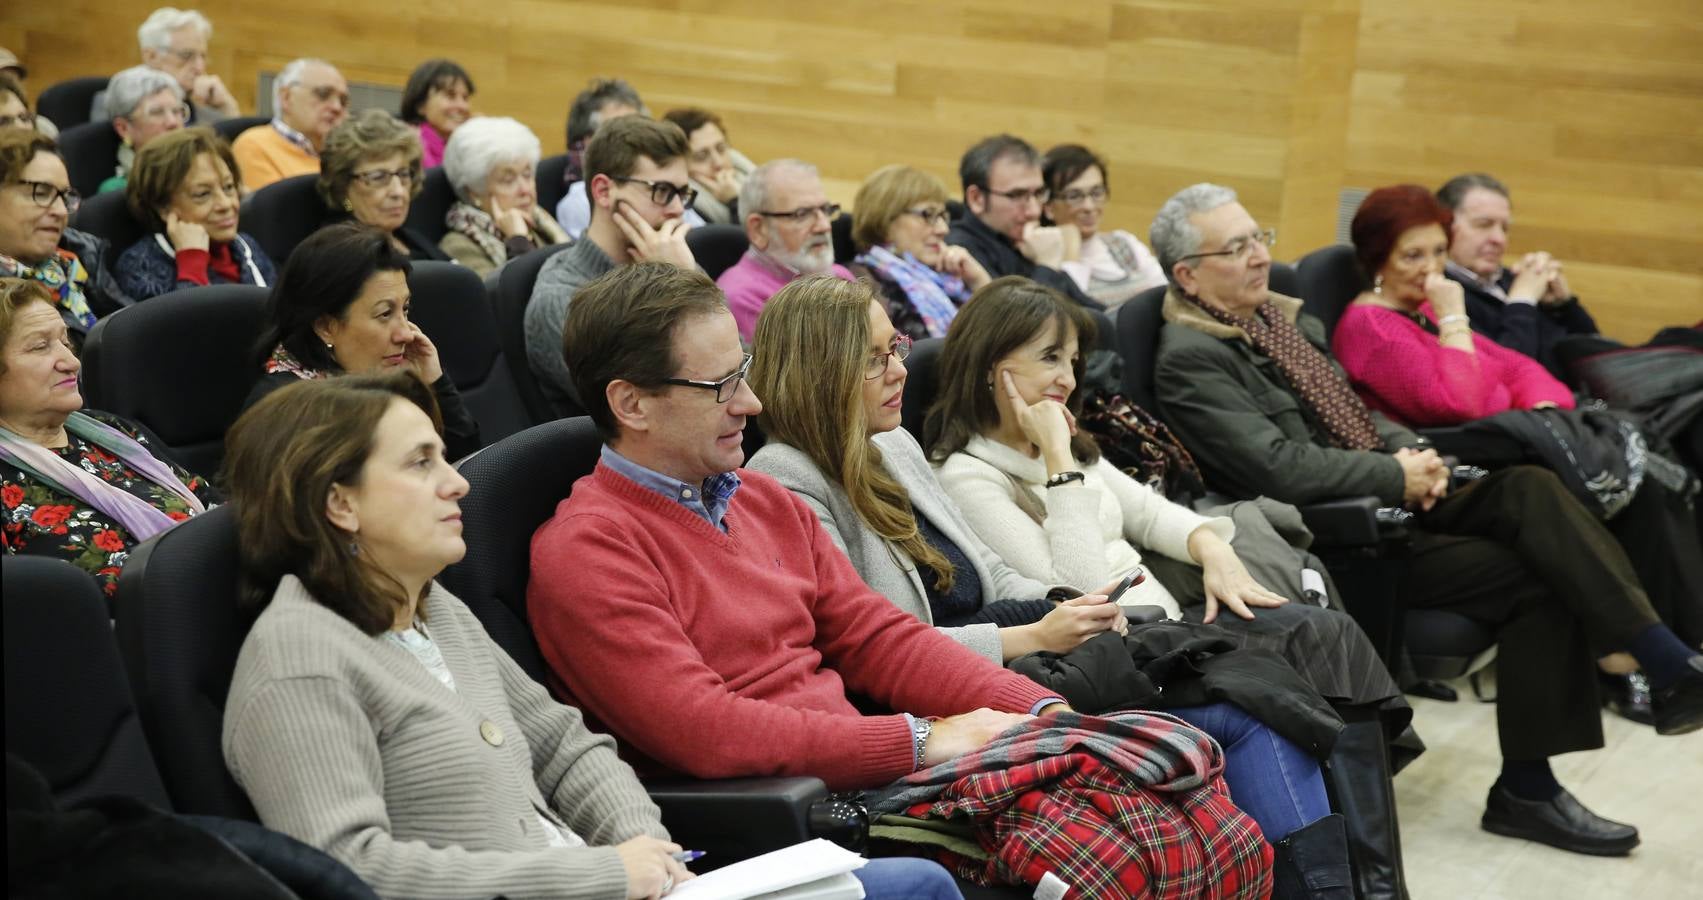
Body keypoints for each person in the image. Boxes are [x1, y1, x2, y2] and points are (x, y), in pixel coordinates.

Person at [527, 262, 1271, 896]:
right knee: (1122, 844)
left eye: (744, 375)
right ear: (630, 403)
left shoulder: (763, 500)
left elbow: (882, 639)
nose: (749, 404)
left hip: (870, 771)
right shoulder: (588, 551)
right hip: (792, 812)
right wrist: (919, 740)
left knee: (1178, 792)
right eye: (719, 386)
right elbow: (706, 732)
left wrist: (1042, 713)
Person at [743, 276, 1375, 877]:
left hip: (1022, 653)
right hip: (952, 692)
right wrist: (1038, 631)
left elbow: (985, 572)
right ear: (822, 370)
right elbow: (877, 649)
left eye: (897, 347)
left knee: (1265, 684)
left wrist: (1061, 605)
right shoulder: (785, 479)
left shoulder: (891, 445)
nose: (900, 368)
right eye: (875, 358)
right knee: (1250, 706)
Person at [1148, 182, 1703, 861]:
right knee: (1537, 553)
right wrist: (1393, 474)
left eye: (1256, 237)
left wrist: (1410, 451)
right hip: (1340, 537)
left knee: (1530, 494)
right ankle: (1655, 665)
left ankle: (1547, 767)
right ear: (1187, 274)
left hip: (1389, 497)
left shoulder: (1274, 321)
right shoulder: (1191, 358)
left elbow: (1350, 410)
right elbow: (1279, 469)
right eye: (1234, 248)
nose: (1259, 257)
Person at [219, 372, 696, 900]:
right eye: (421, 463)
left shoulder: (432, 606)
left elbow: (565, 749)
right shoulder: (298, 656)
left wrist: (649, 852)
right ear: (341, 504)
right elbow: (349, 870)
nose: (457, 483)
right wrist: (602, 876)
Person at [1333, 184, 1703, 679]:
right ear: (1379, 259)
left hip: (1497, 452)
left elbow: (1523, 370)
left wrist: (1535, 405)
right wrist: (1455, 319)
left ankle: (1669, 651)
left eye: (1439, 252)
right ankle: (1648, 657)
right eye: (1413, 255)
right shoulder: (1372, 328)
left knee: (1642, 475)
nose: (1431, 267)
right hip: (1444, 475)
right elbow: (1459, 402)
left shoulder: (1418, 310)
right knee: (1573, 489)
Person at [0, 278, 213, 596]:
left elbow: (214, 508)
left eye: (65, 342)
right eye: (41, 346)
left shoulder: (112, 431)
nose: (72, 363)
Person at [244, 222, 481, 461]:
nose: (407, 334)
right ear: (326, 327)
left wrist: (435, 384)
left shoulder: (381, 376)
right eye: (385, 314)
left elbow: (468, 470)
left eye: (405, 309)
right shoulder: (288, 414)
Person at [525, 116, 696, 415]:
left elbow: (738, 369)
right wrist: (679, 285)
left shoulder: (668, 258)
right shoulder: (561, 298)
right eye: (663, 191)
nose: (678, 210)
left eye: (682, 194)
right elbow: (647, 411)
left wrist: (680, 278)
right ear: (604, 191)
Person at [1436, 173, 1601, 381]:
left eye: (1504, 228)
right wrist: (1522, 302)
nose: (1499, 239)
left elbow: (1597, 358)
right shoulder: (1441, 295)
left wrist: (1563, 305)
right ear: (1444, 227)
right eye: (1484, 224)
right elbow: (1503, 379)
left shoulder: (1513, 279)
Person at [0, 130, 131, 342]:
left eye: (64, 197)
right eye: (41, 193)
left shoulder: (78, 257)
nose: (61, 211)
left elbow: (136, 333)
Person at [116, 127, 273, 300]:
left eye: (228, 187)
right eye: (203, 194)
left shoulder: (246, 246)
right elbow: (187, 326)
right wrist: (192, 263)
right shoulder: (139, 266)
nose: (226, 204)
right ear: (164, 207)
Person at [945, 134, 1096, 308]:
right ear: (977, 198)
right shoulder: (961, 250)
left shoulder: (1021, 240)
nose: (1034, 211)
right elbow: (1023, 328)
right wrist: (1046, 265)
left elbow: (1091, 311)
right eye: (1017, 195)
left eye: (1038, 193)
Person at [847, 164, 989, 341]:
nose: (943, 229)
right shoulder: (864, 283)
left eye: (942, 216)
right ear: (885, 220)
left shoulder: (948, 279)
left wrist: (979, 282)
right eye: (928, 215)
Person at [717, 159, 854, 341]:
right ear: (758, 229)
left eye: (825, 209)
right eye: (802, 214)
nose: (824, 226)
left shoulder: (838, 274)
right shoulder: (742, 299)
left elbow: (892, 348)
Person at [1040, 144, 1166, 308]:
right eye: (1074, 196)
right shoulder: (1044, 263)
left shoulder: (1124, 243)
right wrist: (1071, 249)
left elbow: (1166, 296)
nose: (1089, 207)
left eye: (1096, 193)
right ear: (1048, 207)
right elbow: (1069, 311)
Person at [440, 116, 568, 276]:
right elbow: (523, 298)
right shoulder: (460, 246)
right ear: (474, 192)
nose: (525, 190)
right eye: (508, 180)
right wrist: (518, 242)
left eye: (527, 175)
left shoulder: (540, 223)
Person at [554, 77, 679, 239]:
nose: (637, 142)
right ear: (587, 142)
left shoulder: (666, 187)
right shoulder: (578, 203)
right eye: (621, 135)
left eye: (639, 129)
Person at [317, 109, 447, 262]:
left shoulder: (407, 236)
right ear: (342, 186)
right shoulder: (340, 254)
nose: (398, 192)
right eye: (378, 177)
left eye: (403, 174)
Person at [231, 58, 349, 192]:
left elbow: (348, 205)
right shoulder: (254, 146)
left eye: (343, 101)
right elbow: (273, 209)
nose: (337, 107)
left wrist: (348, 205)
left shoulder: (343, 159)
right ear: (286, 97)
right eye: (323, 94)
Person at [112, 8, 240, 123]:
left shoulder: (212, 117)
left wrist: (228, 107)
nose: (200, 68)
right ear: (151, 57)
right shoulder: (117, 106)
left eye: (203, 56)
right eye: (187, 55)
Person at [96, 65, 189, 194]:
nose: (173, 122)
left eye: (176, 111)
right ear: (123, 128)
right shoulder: (117, 190)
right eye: (157, 112)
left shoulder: (203, 168)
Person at [661, 107, 754, 225]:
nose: (718, 163)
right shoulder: (684, 208)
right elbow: (741, 242)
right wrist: (734, 202)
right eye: (701, 157)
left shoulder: (746, 173)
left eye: (721, 148)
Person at [397, 58, 472, 169]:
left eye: (465, 98)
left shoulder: (466, 149)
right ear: (421, 105)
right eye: (450, 96)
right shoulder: (405, 150)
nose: (462, 106)